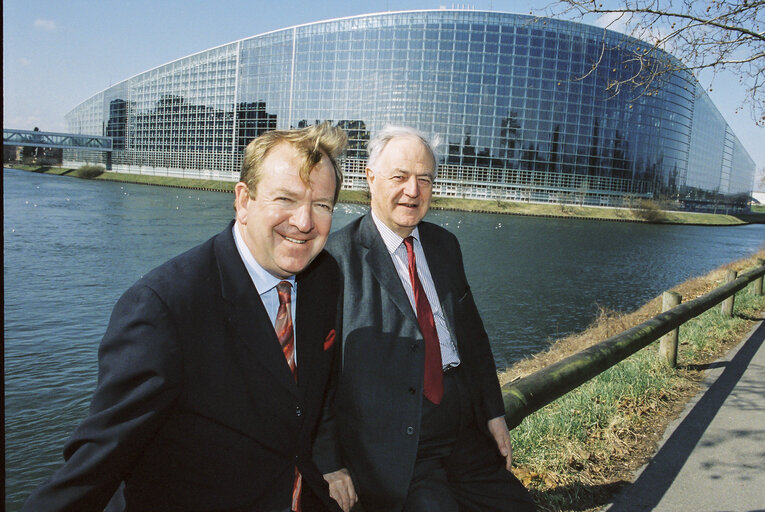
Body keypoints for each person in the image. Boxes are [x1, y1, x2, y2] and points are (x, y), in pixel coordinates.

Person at [24, 123, 349, 512]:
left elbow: (316, 393)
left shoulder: (324, 277)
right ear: (243, 201)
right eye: (285, 199)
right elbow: (95, 466)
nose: (304, 222)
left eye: (322, 205)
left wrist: (329, 462)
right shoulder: (164, 308)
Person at [315, 126, 536, 512]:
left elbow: (474, 338)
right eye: (399, 177)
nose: (413, 191)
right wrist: (330, 463)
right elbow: (318, 377)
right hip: (398, 449)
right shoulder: (335, 260)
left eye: (424, 179)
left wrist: (494, 412)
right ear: (370, 177)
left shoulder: (444, 245)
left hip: (464, 431)